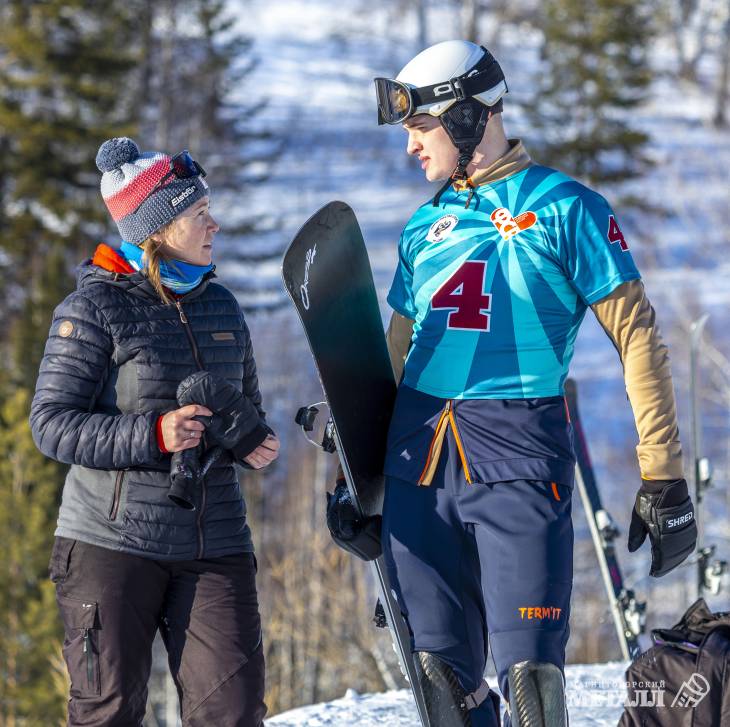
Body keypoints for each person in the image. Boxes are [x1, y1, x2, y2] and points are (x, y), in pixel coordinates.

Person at [372, 40, 697, 726]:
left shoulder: (567, 207)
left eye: (418, 128)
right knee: (439, 682)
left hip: (518, 453)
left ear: (464, 119)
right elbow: (394, 357)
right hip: (418, 461)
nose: (410, 149)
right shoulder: (422, 226)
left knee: (533, 686)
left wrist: (662, 472)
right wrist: (363, 479)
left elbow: (637, 334)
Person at [30, 137, 279, 726]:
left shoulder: (222, 307)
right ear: (158, 229)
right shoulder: (93, 308)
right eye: (198, 214)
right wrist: (154, 434)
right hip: (110, 544)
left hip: (213, 540)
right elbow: (51, 424)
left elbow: (249, 408)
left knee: (234, 712)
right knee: (108, 712)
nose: (214, 224)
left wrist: (249, 434)